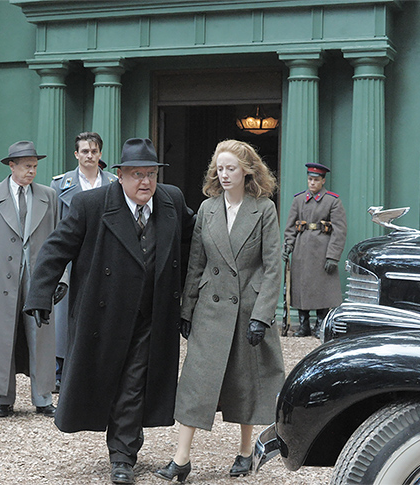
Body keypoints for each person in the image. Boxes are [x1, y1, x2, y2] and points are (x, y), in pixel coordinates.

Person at [24, 138, 195, 485]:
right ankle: (121, 447)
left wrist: (189, 295)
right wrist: (40, 295)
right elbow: (56, 249)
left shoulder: (171, 200)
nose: (145, 182)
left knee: (134, 382)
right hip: (104, 315)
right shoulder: (91, 204)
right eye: (137, 174)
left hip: (152, 314)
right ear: (120, 176)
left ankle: (122, 455)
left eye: (151, 174)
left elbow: (195, 240)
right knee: (110, 381)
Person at [154, 139, 284, 482]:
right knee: (195, 383)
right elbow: (196, 263)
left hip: (247, 309)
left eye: (231, 168)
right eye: (220, 168)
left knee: (246, 382)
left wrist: (262, 315)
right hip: (210, 310)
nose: (224, 174)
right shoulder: (207, 208)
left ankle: (245, 451)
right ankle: (181, 459)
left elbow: (273, 266)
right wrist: (187, 309)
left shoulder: (264, 209)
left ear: (247, 171)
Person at [0, 141, 67, 419]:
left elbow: (60, 241)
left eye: (34, 166)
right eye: (26, 166)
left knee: (40, 335)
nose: (31, 171)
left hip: (38, 276)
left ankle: (43, 397)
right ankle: (3, 399)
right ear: (12, 166)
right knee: (2, 336)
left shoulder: (48, 196)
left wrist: (62, 277)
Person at [49, 131, 117, 392]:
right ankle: (61, 371)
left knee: (103, 313)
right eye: (85, 151)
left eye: (94, 151)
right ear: (76, 154)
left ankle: (99, 371)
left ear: (100, 154)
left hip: (107, 254)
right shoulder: (60, 185)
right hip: (73, 257)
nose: (90, 156)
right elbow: (55, 226)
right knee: (65, 316)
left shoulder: (113, 183)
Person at [282, 163, 347, 337]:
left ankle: (320, 325)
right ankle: (304, 325)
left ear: (323, 181)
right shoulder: (298, 200)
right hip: (301, 250)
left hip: (322, 251)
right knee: (300, 287)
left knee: (321, 288)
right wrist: (288, 245)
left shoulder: (332, 201)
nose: (312, 183)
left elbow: (339, 231)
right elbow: (290, 226)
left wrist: (333, 256)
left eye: (316, 180)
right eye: (310, 179)